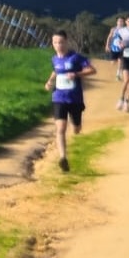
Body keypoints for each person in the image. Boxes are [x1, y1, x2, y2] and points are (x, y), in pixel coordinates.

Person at [44, 30, 97, 172]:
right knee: (60, 129)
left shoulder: (76, 57)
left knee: (76, 128)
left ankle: (76, 125)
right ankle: (63, 158)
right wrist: (49, 81)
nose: (58, 45)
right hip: (59, 97)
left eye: (61, 42)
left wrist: (77, 74)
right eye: (55, 42)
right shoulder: (55, 59)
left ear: (66, 42)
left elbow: (92, 70)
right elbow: (56, 70)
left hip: (75, 99)